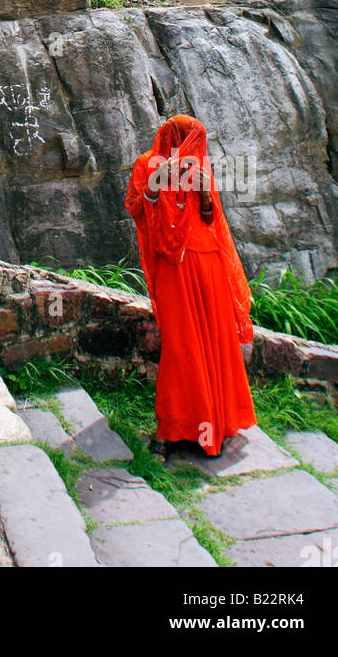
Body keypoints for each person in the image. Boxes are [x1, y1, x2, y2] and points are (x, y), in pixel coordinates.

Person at [125, 113, 256, 458]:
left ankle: (217, 423)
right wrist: (155, 184)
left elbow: (211, 219)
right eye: (188, 138)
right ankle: (171, 429)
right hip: (173, 266)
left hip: (208, 262)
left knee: (215, 343)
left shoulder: (200, 167)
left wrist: (205, 193)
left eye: (197, 140)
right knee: (180, 347)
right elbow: (137, 210)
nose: (194, 146)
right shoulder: (145, 164)